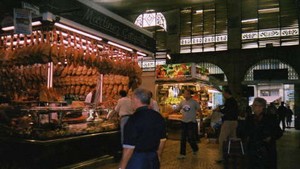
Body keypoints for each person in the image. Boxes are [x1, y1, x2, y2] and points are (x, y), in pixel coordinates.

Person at [119, 88, 166, 169]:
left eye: (132, 99)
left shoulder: (133, 119)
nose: (131, 102)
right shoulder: (158, 117)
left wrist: (122, 167)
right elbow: (163, 140)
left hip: (137, 160)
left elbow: (129, 148)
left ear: (136, 99)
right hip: (153, 158)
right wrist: (158, 155)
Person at [245, 97, 282, 169]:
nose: (253, 107)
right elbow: (245, 131)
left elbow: (278, 132)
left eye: (256, 105)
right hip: (253, 150)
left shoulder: (270, 118)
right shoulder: (249, 119)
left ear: (262, 107)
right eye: (253, 105)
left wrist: (270, 137)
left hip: (267, 150)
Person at [173, 89, 200, 159]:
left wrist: (201, 118)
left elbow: (199, 110)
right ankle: (182, 154)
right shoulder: (182, 102)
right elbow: (177, 109)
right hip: (184, 122)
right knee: (183, 138)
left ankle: (195, 148)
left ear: (190, 94)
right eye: (184, 93)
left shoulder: (194, 102)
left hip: (191, 122)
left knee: (191, 137)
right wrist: (172, 110)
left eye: (187, 93)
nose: (185, 95)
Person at [216, 87, 238, 163]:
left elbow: (227, 111)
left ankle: (221, 156)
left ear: (226, 93)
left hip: (228, 122)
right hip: (234, 122)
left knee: (221, 139)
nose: (223, 95)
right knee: (232, 139)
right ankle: (234, 154)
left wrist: (220, 110)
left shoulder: (229, 101)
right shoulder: (233, 101)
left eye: (223, 93)